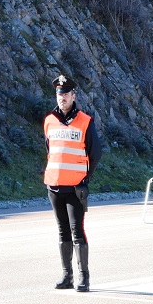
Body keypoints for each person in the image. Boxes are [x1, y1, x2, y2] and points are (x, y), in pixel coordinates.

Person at [44, 74, 102, 292]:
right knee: (62, 232)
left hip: (75, 187)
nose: (62, 98)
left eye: (66, 94)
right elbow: (50, 149)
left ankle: (83, 277)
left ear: (73, 96)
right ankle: (67, 275)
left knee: (77, 232)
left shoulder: (85, 121)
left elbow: (95, 153)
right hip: (54, 186)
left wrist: (86, 179)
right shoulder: (49, 120)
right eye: (59, 94)